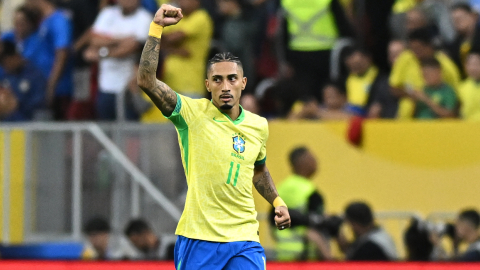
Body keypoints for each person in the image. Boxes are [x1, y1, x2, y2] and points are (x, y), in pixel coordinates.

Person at [136, 5, 291, 269]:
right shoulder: (191, 113)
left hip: (244, 238)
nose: (225, 86)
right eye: (217, 80)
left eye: (232, 79)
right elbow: (146, 81)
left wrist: (277, 201)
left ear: (243, 83)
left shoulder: (258, 125)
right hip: (200, 238)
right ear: (207, 85)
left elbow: (258, 169)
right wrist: (156, 29)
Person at [85, 0, 152, 120]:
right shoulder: (107, 14)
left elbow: (132, 46)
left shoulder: (145, 18)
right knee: (106, 131)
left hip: (128, 89)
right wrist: (121, 40)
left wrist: (101, 53)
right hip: (105, 86)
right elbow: (94, 39)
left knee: (129, 133)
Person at [276, 0, 354, 100]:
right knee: (328, 95)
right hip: (327, 54)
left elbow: (282, 34)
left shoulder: (288, 2)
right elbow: (343, 25)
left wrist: (285, 60)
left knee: (306, 97)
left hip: (298, 54)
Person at [272, 147, 332, 261]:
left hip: (283, 256)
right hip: (307, 257)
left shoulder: (280, 188)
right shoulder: (310, 191)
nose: (316, 162)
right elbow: (317, 224)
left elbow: (272, 221)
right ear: (301, 162)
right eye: (312, 158)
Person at [390, 27, 460, 119]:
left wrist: (426, 99)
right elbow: (393, 87)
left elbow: (456, 96)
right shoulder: (405, 58)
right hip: (407, 118)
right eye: (413, 49)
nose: (416, 52)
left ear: (429, 46)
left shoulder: (445, 64)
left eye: (419, 48)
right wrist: (412, 94)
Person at [25, 0, 74, 120]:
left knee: (57, 130)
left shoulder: (59, 20)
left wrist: (52, 85)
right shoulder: (44, 21)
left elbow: (62, 52)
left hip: (58, 89)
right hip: (41, 86)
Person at [161, 0, 213, 98]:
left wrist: (166, 47)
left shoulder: (201, 17)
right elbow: (158, 36)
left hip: (190, 86)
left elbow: (172, 37)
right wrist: (177, 50)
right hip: (168, 85)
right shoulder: (175, 17)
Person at [344, 47, 397, 118]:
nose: (356, 66)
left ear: (368, 59)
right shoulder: (346, 79)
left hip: (367, 113)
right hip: (349, 111)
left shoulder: (380, 78)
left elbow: (378, 104)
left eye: (358, 63)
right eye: (352, 64)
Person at [0, 40, 45, 122]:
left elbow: (40, 102)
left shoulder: (34, 76)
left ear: (15, 57)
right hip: (6, 127)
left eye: (5, 62)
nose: (4, 67)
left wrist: (17, 104)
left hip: (29, 124)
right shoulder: (5, 77)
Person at [448, 3, 480, 77]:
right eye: (455, 20)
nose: (458, 22)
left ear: (473, 16)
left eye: (461, 18)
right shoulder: (455, 44)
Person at [458, 52, 480, 120]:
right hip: (468, 126)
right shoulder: (461, 87)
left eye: (477, 64)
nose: (473, 68)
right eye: (470, 64)